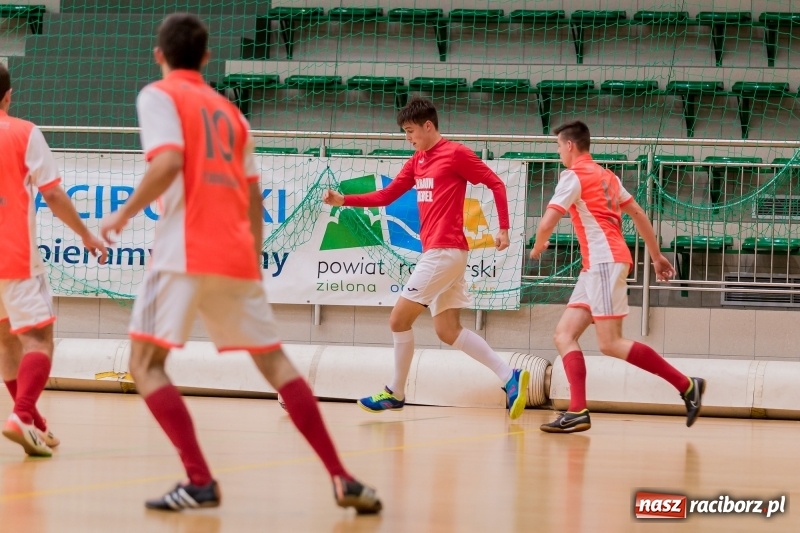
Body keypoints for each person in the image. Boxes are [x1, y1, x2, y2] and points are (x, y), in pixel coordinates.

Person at [99, 13, 381, 513]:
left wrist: (120, 215)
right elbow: (253, 199)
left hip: (183, 251)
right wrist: (251, 258)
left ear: (159, 54)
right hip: (234, 253)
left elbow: (167, 163)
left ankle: (200, 480)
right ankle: (342, 476)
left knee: (144, 364)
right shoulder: (233, 115)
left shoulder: (158, 95)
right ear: (207, 58)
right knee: (275, 363)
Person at [323, 96, 531, 419]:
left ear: (428, 126)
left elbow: (496, 183)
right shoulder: (417, 161)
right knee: (448, 330)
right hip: (444, 254)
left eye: (410, 131)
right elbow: (386, 195)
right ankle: (510, 376)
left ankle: (395, 392)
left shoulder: (455, 154)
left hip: (445, 252)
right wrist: (344, 200)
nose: (408, 138)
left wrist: (504, 228)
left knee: (398, 319)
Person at [529, 120, 706, 433]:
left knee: (610, 343)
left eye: (558, 146)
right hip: (597, 266)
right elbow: (638, 214)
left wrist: (540, 240)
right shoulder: (607, 176)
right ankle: (577, 410)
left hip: (603, 263)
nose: (558, 152)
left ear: (569, 145)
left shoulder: (573, 175)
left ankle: (687, 385)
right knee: (564, 335)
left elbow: (549, 217)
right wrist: (655, 255)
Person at [0, 63, 108, 456]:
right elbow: (54, 195)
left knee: (7, 340)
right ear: (8, 95)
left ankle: (35, 425)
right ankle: (23, 414)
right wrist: (86, 235)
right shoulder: (25, 132)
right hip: (13, 255)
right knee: (39, 340)